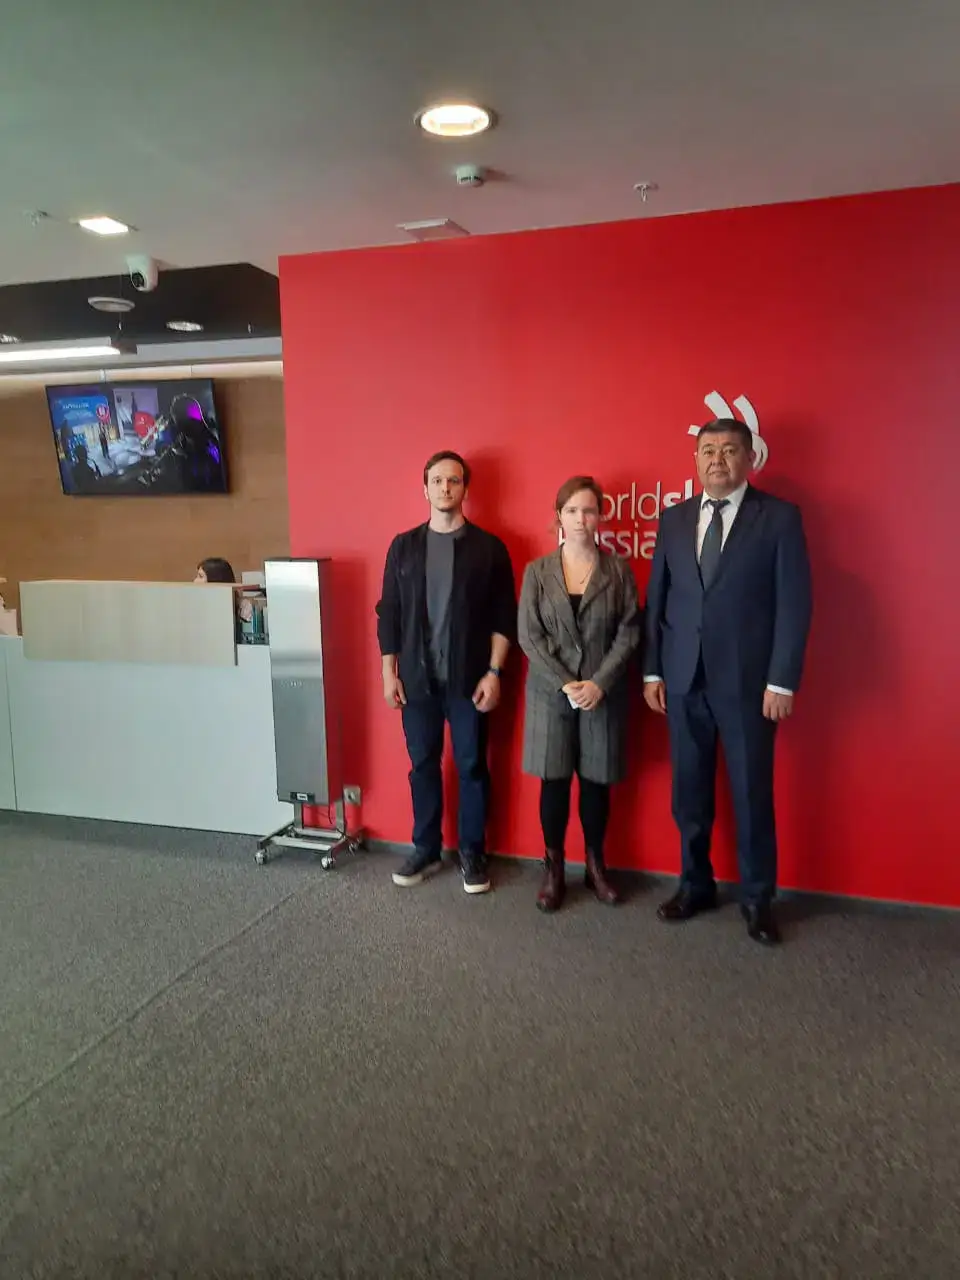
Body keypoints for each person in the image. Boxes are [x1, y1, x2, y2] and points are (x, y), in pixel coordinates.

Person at [643, 418, 812, 945]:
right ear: (696, 460)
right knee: (689, 795)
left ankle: (758, 900)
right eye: (708, 450)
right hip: (683, 680)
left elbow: (794, 604)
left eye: (730, 450)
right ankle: (695, 885)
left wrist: (781, 680)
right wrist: (653, 668)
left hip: (749, 686)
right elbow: (658, 600)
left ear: (749, 458)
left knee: (751, 794)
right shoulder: (673, 519)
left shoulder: (779, 518)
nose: (718, 459)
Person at [376, 450, 517, 895]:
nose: (445, 488)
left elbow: (505, 617)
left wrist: (494, 673)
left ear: (465, 489)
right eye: (437, 481)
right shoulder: (403, 547)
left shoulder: (489, 549)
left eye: (453, 480)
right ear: (425, 489)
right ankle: (426, 847)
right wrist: (388, 673)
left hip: (470, 680)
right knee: (422, 765)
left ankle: (473, 852)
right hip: (417, 681)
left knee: (472, 766)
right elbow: (388, 613)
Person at [518, 476, 641, 912]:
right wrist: (566, 682)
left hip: (600, 696)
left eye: (588, 510)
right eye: (571, 510)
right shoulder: (537, 572)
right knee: (553, 782)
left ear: (600, 516)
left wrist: (598, 683)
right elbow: (529, 637)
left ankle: (594, 865)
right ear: (559, 516)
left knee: (596, 784)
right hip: (550, 695)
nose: (580, 519)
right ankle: (553, 868)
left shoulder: (618, 571)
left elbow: (629, 633)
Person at [194, 557, 252, 639]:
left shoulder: (241, 606)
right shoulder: (197, 605)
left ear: (215, 580)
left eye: (200, 576)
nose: (195, 581)